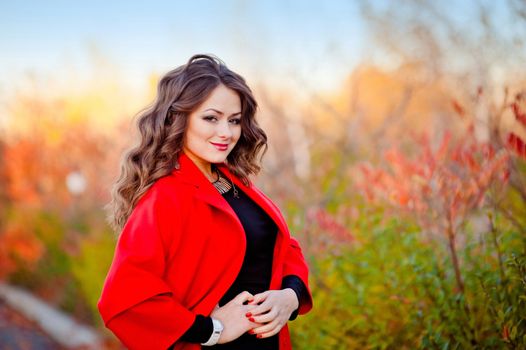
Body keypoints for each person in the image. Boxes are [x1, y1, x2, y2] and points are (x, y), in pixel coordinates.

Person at [98, 54, 312, 350]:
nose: (226, 133)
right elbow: (124, 300)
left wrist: (291, 295)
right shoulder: (165, 197)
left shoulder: (234, 183)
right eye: (211, 118)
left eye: (234, 121)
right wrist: (212, 329)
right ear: (179, 119)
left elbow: (283, 247)